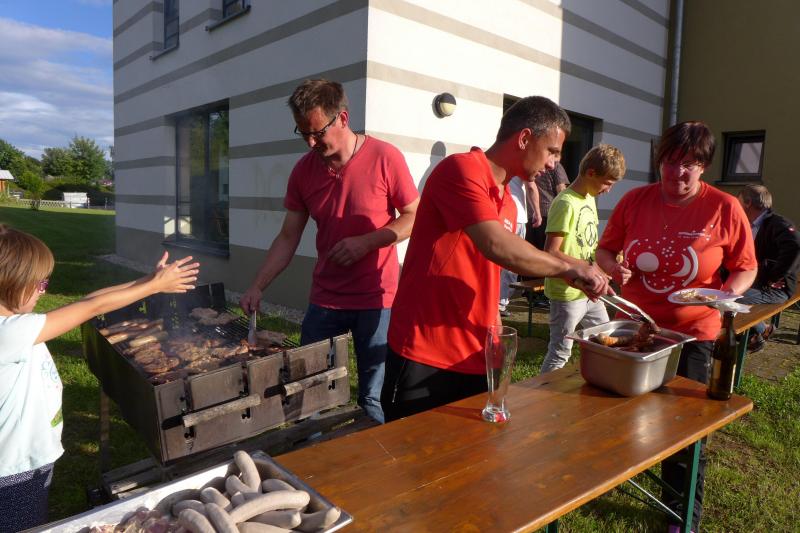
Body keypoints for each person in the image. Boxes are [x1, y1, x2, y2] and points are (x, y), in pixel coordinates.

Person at [382, 96, 612, 422]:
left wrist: (497, 331)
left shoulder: (506, 199)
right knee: (411, 451)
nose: (553, 164)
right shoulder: (461, 169)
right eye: (552, 151)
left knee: (468, 450)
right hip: (426, 350)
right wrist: (569, 267)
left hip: (476, 353)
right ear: (524, 138)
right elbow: (495, 244)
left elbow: (490, 271)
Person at [595, 121, 757, 533]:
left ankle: (681, 513)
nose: (677, 172)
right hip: (639, 329)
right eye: (670, 161)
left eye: (689, 164)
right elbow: (605, 250)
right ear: (659, 160)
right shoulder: (635, 200)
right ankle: (618, 476)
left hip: (694, 335)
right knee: (628, 412)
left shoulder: (724, 207)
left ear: (703, 166)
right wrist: (614, 268)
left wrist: (725, 295)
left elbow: (746, 266)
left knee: (684, 427)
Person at [239, 79, 419, 424]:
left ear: (342, 118)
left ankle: (372, 455)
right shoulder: (303, 171)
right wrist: (257, 286)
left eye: (317, 133)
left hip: (377, 300)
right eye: (303, 133)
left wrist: (368, 242)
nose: (310, 143)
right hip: (325, 300)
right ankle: (313, 454)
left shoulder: (385, 157)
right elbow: (288, 236)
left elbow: (415, 216)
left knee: (373, 396)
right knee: (308, 393)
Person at [0, 224, 199, 532]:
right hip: (13, 470)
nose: (45, 291)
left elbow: (87, 300)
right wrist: (153, 287)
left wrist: (149, 281)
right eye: (40, 284)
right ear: (11, 283)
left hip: (29, 458)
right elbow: (92, 307)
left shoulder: (15, 323)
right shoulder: (10, 333)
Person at [540, 144, 626, 373]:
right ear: (591, 173)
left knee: (606, 338)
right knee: (560, 352)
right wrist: (589, 267)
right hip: (567, 294)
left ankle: (598, 379)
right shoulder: (565, 203)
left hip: (590, 291)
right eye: (607, 183)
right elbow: (551, 252)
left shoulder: (588, 198)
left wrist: (605, 265)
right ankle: (541, 391)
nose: (609, 190)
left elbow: (586, 246)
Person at [736, 184, 800, 352]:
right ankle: (758, 332)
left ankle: (758, 332)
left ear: (748, 203)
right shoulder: (750, 224)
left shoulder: (778, 224)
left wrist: (774, 276)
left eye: (738, 202)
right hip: (755, 282)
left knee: (728, 299)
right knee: (719, 292)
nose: (736, 206)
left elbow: (795, 246)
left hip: (775, 289)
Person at [498, 176, 538, 316]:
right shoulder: (523, 167)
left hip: (500, 214)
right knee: (512, 263)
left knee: (498, 262)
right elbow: (531, 187)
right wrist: (537, 212)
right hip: (517, 217)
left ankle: (493, 301)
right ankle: (501, 303)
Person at [527, 161, 570, 249]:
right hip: (549, 215)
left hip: (530, 215)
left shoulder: (533, 163)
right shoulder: (555, 165)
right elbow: (561, 192)